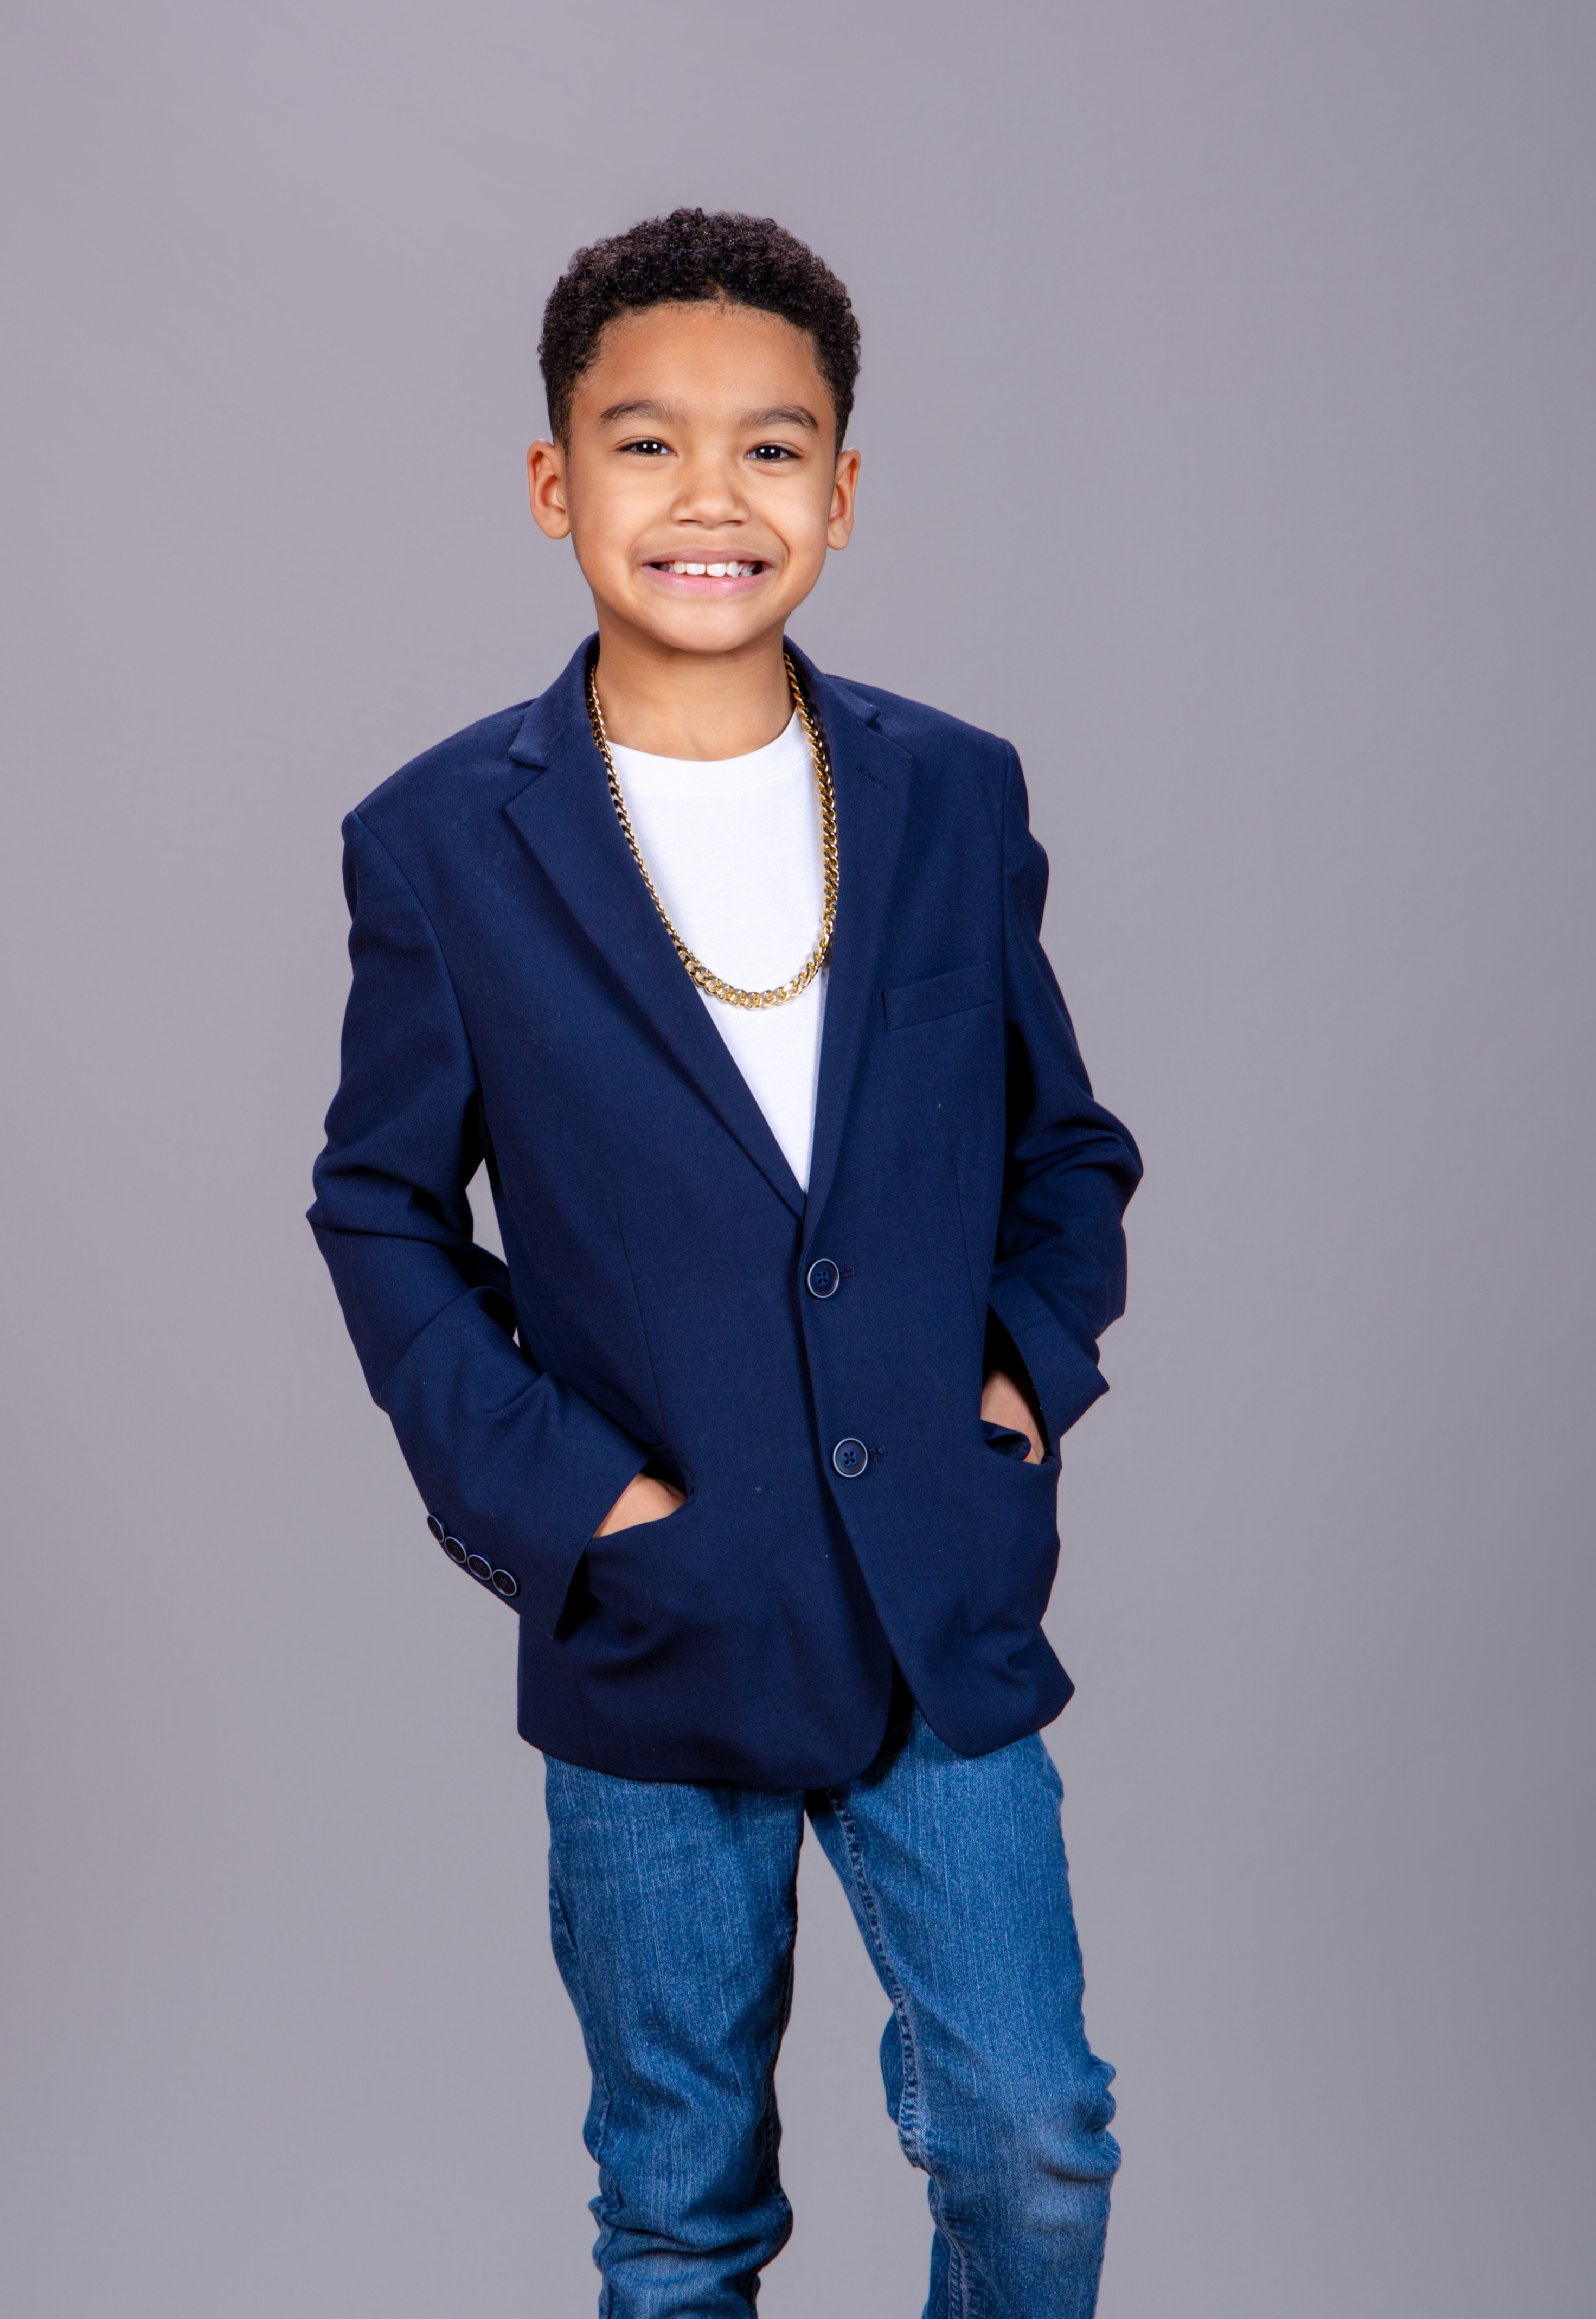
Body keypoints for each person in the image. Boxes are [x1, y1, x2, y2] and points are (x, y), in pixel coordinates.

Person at [309, 208, 1142, 2319]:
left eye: (771, 449)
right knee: (680, 2206)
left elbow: (1065, 1143)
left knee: (1034, 2139)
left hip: (935, 1599)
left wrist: (1023, 1372)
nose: (711, 498)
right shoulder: (441, 839)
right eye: (646, 443)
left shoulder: (950, 794)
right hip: (657, 1624)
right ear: (553, 482)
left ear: (842, 493)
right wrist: (566, 1498)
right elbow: (380, 1202)